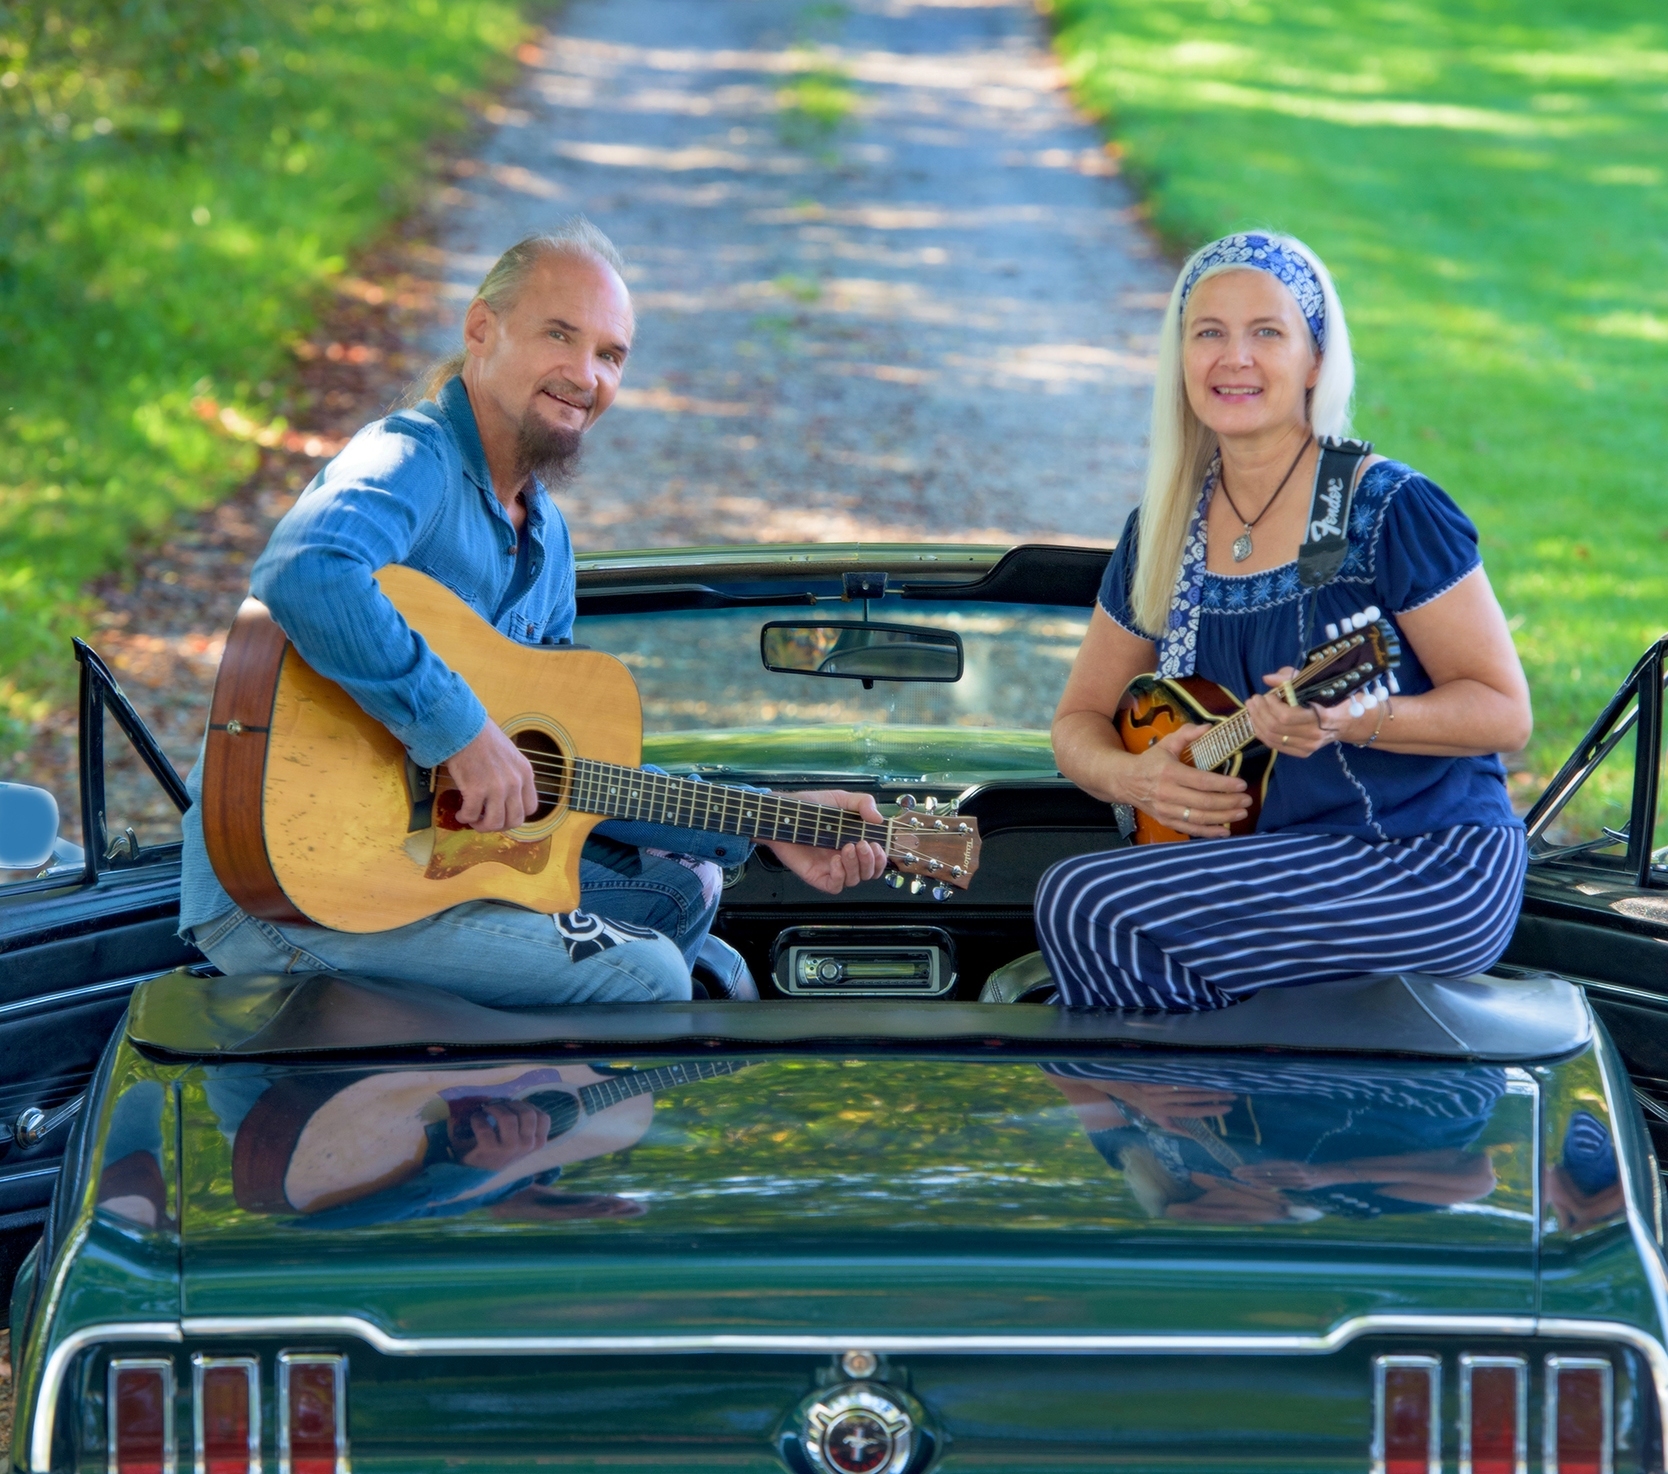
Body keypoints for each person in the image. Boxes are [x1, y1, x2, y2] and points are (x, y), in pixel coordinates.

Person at [177, 220, 887, 1003]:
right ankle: (544, 1107)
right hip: (288, 895)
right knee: (644, 977)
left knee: (686, 887)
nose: (585, 374)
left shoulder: (548, 540)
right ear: (482, 329)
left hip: (420, 875)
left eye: (610, 354)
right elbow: (307, 568)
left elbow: (567, 772)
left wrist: (771, 820)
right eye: (560, 334)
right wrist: (459, 732)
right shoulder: (413, 458)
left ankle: (487, 1110)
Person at [1039, 231, 1531, 1011]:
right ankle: (1212, 1124)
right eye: (1209, 333)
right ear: (1180, 360)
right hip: (1275, 862)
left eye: (1267, 332)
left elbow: (1505, 713)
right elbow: (1077, 721)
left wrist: (1354, 722)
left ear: (1314, 359)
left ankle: (1179, 1132)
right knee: (1078, 902)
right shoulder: (1169, 527)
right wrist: (1135, 778)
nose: (1235, 358)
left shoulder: (1380, 508)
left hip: (1421, 858)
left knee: (1090, 904)